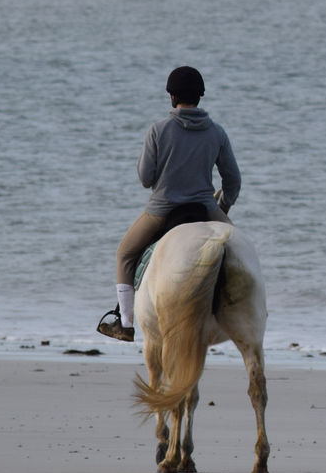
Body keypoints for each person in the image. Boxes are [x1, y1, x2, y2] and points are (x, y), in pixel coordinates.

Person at [97, 65, 242, 342]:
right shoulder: (217, 133)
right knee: (238, 251)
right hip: (204, 208)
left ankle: (125, 323)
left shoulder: (158, 130)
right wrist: (222, 208)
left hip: (162, 211)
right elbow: (233, 180)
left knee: (125, 255)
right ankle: (241, 309)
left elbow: (144, 178)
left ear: (172, 97)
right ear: (200, 97)